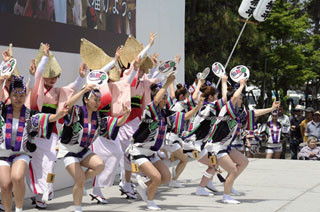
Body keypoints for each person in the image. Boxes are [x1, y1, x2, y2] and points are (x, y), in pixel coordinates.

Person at [127, 73, 202, 210]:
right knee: (156, 177)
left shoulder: (165, 113)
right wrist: (167, 82)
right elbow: (155, 99)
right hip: (139, 151)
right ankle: (150, 202)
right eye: (163, 97)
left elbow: (184, 117)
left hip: (152, 152)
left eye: (166, 97)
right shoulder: (150, 109)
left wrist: (197, 108)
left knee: (166, 178)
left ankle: (142, 186)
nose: (165, 99)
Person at [27, 43, 86, 209]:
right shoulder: (36, 87)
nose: (52, 80)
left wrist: (81, 77)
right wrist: (44, 57)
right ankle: (38, 194)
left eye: (55, 77)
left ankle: (47, 191)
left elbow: (72, 89)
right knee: (37, 164)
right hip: (35, 130)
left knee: (51, 163)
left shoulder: (58, 91)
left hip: (51, 131)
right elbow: (36, 76)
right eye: (49, 76)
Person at [205, 79, 280, 204]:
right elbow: (234, 96)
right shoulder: (227, 108)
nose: (241, 99)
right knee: (233, 170)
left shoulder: (240, 112)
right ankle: (226, 195)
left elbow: (254, 112)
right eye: (240, 97)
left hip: (226, 146)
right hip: (216, 146)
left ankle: (229, 183)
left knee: (244, 162)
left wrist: (271, 109)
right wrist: (242, 85)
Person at [58, 84, 130, 212]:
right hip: (69, 150)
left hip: (83, 150)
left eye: (99, 100)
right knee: (80, 181)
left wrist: (125, 115)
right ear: (86, 100)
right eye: (94, 99)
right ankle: (78, 208)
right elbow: (66, 106)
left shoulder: (98, 117)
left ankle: (80, 182)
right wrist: (83, 91)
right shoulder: (77, 112)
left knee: (99, 165)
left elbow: (115, 123)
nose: (97, 103)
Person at [0, 76, 67, 212]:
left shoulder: (31, 114)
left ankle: (19, 209)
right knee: (6, 185)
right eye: (14, 95)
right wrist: (1, 80)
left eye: (21, 95)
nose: (18, 98)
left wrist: (59, 115)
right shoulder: (2, 111)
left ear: (26, 96)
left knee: (17, 177)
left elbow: (46, 118)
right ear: (10, 96)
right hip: (3, 154)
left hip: (21, 153)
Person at [182, 75, 228, 196]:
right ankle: (200, 188)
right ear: (211, 97)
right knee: (213, 165)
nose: (218, 99)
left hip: (198, 143)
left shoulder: (207, 107)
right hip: (192, 145)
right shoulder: (210, 107)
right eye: (216, 97)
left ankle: (208, 182)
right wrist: (224, 81)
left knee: (215, 161)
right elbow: (225, 98)